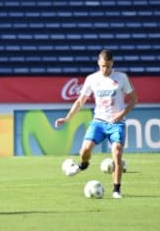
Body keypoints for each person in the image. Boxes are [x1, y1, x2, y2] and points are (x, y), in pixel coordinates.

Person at [55, 49, 138, 199]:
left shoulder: (121, 78)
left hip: (116, 123)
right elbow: (80, 101)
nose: (105, 69)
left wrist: (121, 115)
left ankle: (116, 191)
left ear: (112, 63)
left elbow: (134, 100)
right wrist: (67, 118)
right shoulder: (92, 79)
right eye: (102, 66)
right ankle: (83, 165)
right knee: (84, 151)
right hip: (98, 122)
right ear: (98, 63)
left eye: (107, 66)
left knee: (117, 152)